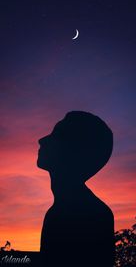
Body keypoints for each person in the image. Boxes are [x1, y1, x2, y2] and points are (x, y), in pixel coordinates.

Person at [37, 111, 115, 266]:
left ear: (72, 149)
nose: (41, 140)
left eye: (56, 135)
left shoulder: (92, 214)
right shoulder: (59, 211)